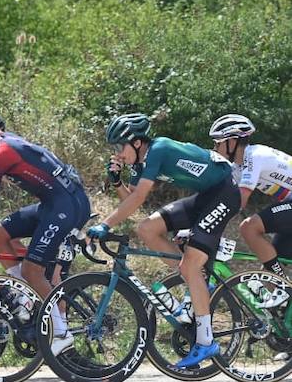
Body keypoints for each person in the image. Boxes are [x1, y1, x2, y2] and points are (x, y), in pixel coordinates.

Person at [91, 113, 239, 368]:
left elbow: (137, 199)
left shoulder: (159, 148)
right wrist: (117, 180)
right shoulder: (141, 162)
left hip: (225, 193)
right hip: (205, 196)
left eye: (120, 146)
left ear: (137, 143)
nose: (118, 153)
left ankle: (206, 341)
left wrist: (106, 224)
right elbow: (133, 198)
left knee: (190, 265)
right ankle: (198, 282)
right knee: (146, 229)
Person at [0, 105, 91, 353]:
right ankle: (25, 294)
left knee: (33, 270)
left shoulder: (1, 152)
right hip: (53, 203)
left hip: (68, 205)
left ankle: (60, 333)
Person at [207, 114, 292, 289]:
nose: (215, 148)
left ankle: (284, 287)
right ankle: (282, 299)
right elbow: (222, 199)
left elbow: (240, 201)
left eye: (218, 142)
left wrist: (207, 228)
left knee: (249, 227)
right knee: (270, 271)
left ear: (232, 141)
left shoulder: (254, 156)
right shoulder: (237, 167)